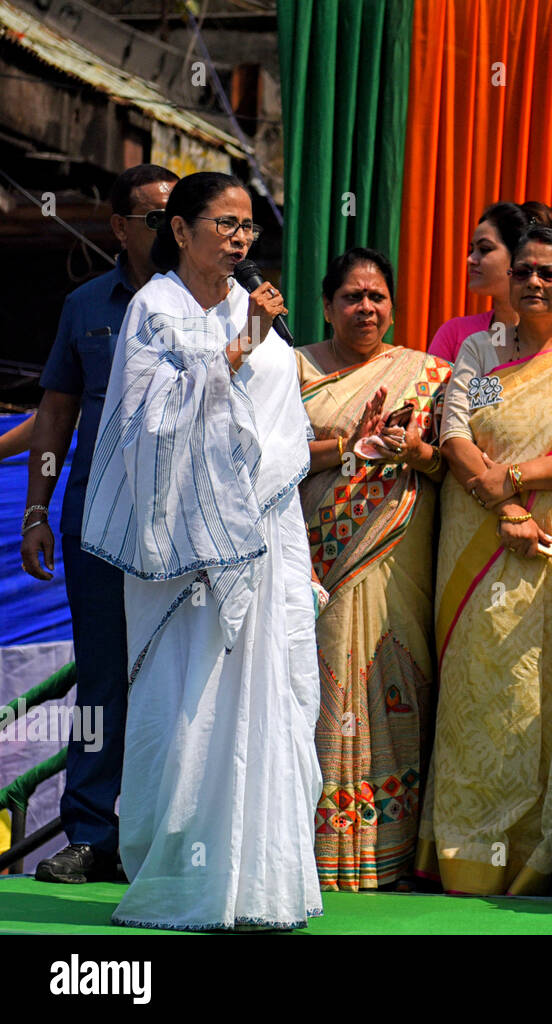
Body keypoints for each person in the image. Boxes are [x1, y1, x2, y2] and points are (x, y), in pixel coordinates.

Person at [79, 171, 321, 930]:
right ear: (179, 231)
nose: (241, 236)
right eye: (224, 222)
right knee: (188, 708)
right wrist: (238, 351)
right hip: (185, 552)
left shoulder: (259, 312)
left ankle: (264, 884)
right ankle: (181, 880)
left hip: (267, 538)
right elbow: (148, 428)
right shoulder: (154, 308)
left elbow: (284, 422)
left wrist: (256, 345)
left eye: (248, 224)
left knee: (278, 697)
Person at [415, 226, 552, 895]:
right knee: (478, 689)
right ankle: (466, 852)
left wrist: (517, 481)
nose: (534, 282)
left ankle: (544, 854)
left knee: (546, 688)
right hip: (478, 532)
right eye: (525, 272)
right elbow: (462, 431)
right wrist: (503, 500)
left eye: (550, 273)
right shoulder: (485, 353)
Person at [20, 164, 178, 884]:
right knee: (102, 684)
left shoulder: (220, 304)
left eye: (182, 214)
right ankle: (91, 834)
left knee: (183, 677)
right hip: (97, 528)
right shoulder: (87, 305)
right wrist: (35, 511)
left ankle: (173, 835)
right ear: (119, 227)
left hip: (189, 535)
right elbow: (55, 414)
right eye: (154, 217)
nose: (170, 229)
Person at [294, 248, 451, 892]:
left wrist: (420, 452)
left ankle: (391, 852)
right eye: (353, 297)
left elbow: (463, 453)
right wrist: (343, 448)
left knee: (397, 679)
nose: (366, 308)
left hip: (398, 555)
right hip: (312, 554)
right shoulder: (292, 367)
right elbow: (258, 456)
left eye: (378, 297)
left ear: (394, 304)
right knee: (319, 684)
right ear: (328, 305)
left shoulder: (433, 373)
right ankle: (310, 847)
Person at [427, 201, 552, 363]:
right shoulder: (455, 333)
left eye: (485, 249)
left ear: (519, 256)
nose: (470, 259)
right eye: (472, 250)